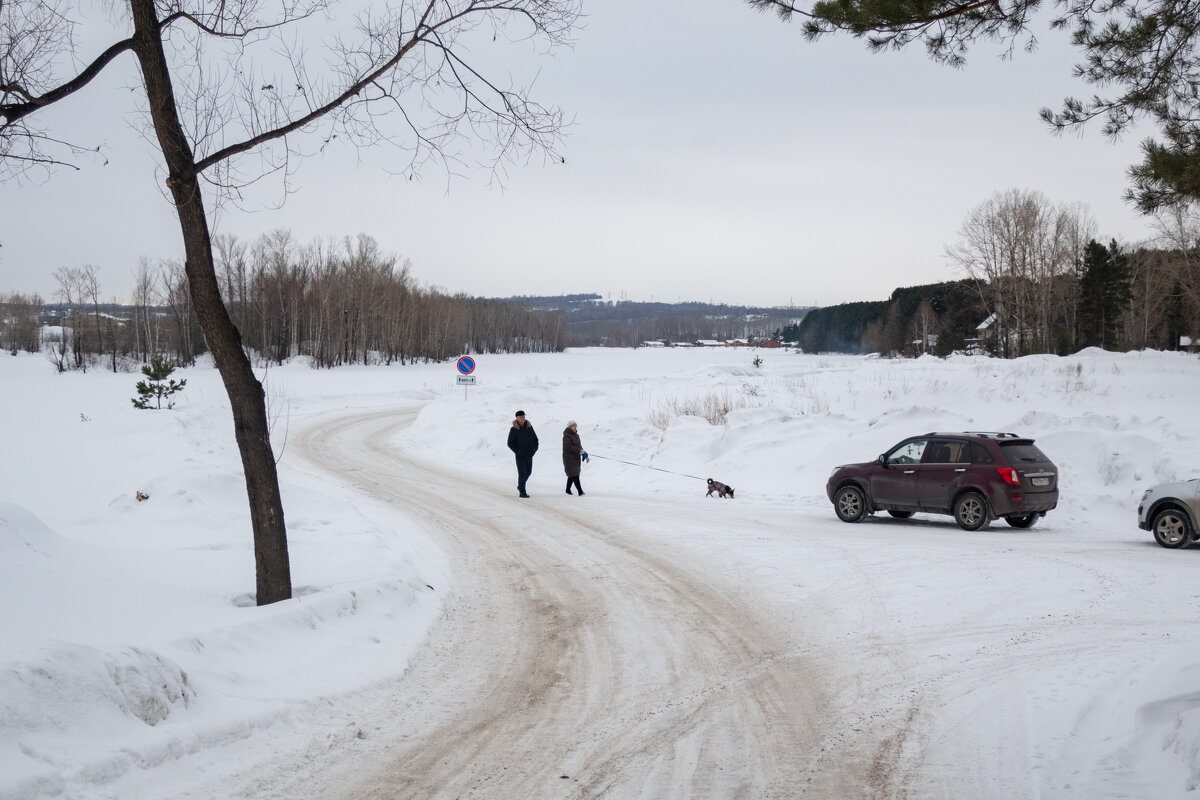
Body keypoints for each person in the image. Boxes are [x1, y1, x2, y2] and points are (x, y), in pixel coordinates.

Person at [507, 410, 538, 498]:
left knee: (528, 472)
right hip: (520, 455)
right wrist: (518, 451)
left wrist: (534, 450)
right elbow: (510, 443)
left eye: (524, 416)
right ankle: (522, 492)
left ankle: (520, 486)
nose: (523, 418)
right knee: (522, 473)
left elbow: (536, 440)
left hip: (529, 454)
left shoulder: (529, 427)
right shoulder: (514, 429)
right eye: (521, 417)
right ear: (517, 418)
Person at [562, 420, 588, 496]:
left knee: (572, 474)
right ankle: (580, 491)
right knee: (575, 474)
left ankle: (567, 490)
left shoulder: (576, 435)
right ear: (570, 427)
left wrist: (583, 453)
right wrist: (579, 450)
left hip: (576, 457)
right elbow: (567, 447)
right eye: (574, 426)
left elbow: (579, 446)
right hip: (569, 458)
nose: (575, 427)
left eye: (576, 426)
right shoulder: (566, 436)